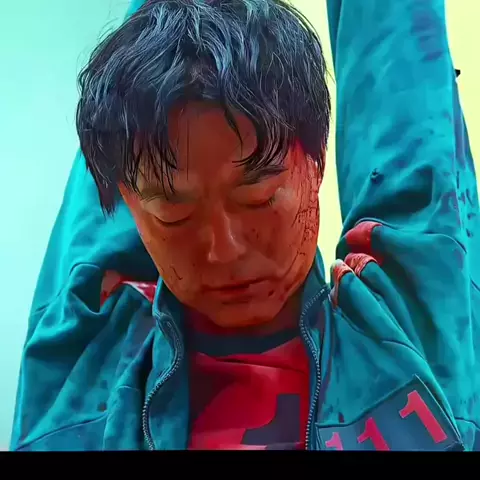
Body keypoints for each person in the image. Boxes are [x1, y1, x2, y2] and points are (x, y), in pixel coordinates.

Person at [10, 0, 480, 451]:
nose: (225, 250)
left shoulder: (409, 335)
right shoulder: (86, 361)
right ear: (128, 205)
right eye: (175, 213)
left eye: (258, 198)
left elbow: (396, 52)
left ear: (315, 162)